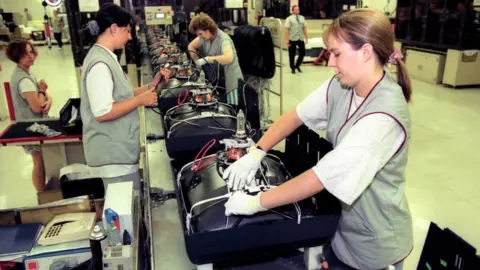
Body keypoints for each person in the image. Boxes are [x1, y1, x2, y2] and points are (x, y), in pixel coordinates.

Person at [223, 9, 413, 270]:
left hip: (374, 241)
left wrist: (255, 203)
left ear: (366, 52)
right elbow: (295, 115)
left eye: (337, 53)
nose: (330, 62)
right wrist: (257, 152)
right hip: (341, 225)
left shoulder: (384, 117)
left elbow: (321, 177)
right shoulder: (342, 85)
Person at [80, 3, 170, 193]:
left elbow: (121, 94)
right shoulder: (99, 64)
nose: (130, 37)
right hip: (113, 158)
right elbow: (103, 112)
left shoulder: (107, 57)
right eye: (127, 31)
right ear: (113, 29)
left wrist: (151, 86)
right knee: (125, 216)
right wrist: (140, 101)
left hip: (119, 152)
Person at [6, 39, 53, 192]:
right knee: (38, 161)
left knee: (41, 160)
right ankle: (42, 194)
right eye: (25, 54)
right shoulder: (24, 80)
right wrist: (41, 91)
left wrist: (47, 97)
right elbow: (37, 107)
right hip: (30, 127)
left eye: (31, 52)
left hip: (35, 124)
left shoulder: (26, 73)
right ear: (16, 56)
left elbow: (45, 99)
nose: (30, 56)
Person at [187, 13, 243, 105]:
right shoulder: (204, 38)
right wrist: (197, 62)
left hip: (230, 81)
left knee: (232, 109)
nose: (199, 36)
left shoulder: (224, 39)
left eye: (200, 33)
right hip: (217, 79)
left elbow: (229, 58)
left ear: (208, 29)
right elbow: (191, 46)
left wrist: (207, 59)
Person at [285, 5, 308, 74]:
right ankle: (292, 68)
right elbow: (286, 29)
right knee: (292, 54)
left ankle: (297, 65)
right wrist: (286, 39)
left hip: (300, 38)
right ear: (292, 11)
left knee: (302, 53)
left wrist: (306, 37)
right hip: (292, 38)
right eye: (296, 9)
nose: (297, 11)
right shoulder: (289, 19)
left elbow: (304, 28)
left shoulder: (302, 18)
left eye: (298, 9)